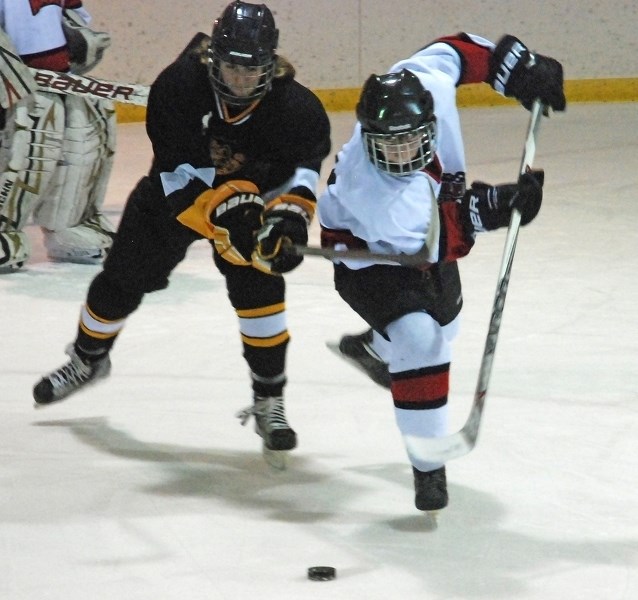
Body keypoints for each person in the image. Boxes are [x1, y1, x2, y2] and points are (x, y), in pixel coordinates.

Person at [33, 1, 331, 465]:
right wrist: (226, 212)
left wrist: (288, 218)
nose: (239, 81)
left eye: (251, 71)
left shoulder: (298, 109)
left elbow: (304, 171)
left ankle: (270, 399)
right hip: (174, 202)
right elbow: (176, 176)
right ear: (214, 59)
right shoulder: (178, 87)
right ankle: (88, 359)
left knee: (261, 299)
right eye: (231, 68)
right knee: (119, 281)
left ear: (271, 65)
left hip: (253, 206)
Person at [318, 33, 565, 512]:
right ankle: (428, 465)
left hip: (425, 242)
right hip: (370, 260)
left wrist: (516, 68)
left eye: (412, 138)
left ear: (428, 119)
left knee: (447, 328)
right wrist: (496, 207)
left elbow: (453, 51)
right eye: (389, 144)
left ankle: (373, 349)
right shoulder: (372, 189)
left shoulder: (427, 82)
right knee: (422, 339)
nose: (402, 152)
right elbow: (435, 243)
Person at [0, 0, 116, 272]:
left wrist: (78, 38)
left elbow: (68, 13)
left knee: (88, 130)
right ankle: (4, 229)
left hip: (58, 79)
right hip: (17, 85)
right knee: (27, 148)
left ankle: (70, 225)